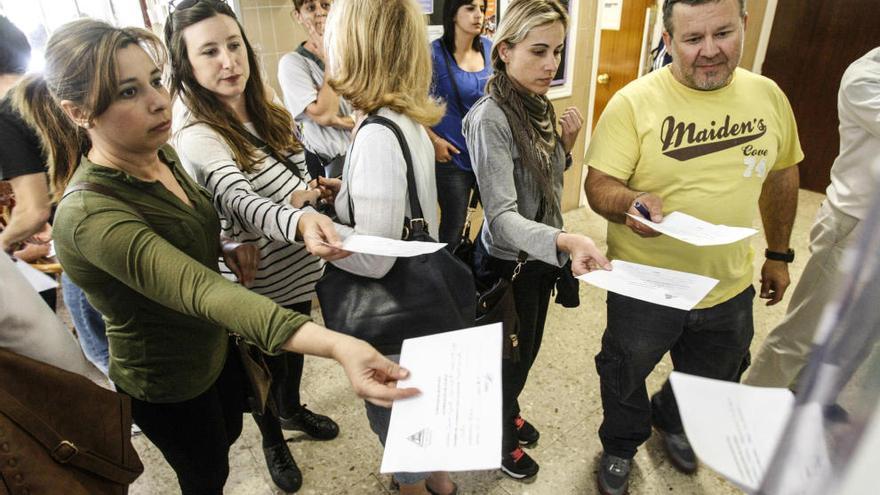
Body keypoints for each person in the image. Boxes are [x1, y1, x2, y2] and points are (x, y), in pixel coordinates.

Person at [13, 18, 416, 495]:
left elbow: (196, 224)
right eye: (127, 92)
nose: (158, 100)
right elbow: (200, 289)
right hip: (167, 381)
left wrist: (223, 244)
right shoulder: (89, 214)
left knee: (227, 435)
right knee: (206, 475)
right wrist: (340, 346)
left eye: (155, 81)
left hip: (216, 351)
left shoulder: (160, 155)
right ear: (78, 112)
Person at [583, 0, 804, 493]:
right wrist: (631, 203)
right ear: (667, 40)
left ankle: (674, 418)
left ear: (743, 26)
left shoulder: (767, 96)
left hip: (727, 283)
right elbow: (599, 185)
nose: (710, 51)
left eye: (722, 34)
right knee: (624, 371)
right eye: (692, 39)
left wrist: (779, 253)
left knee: (715, 377)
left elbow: (782, 173)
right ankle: (621, 444)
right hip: (646, 287)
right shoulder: (634, 103)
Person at [165, 1, 339, 491]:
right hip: (254, 281)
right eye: (210, 52)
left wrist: (316, 190)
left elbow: (295, 172)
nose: (229, 61)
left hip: (298, 270)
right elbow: (240, 202)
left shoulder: (269, 109)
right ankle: (273, 441)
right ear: (187, 66)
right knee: (261, 366)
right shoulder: (198, 134)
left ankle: (293, 409)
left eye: (234, 44)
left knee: (294, 354)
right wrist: (301, 216)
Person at [322, 0, 468, 493]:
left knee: (404, 434)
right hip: (426, 308)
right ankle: (443, 484)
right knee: (426, 417)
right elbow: (405, 212)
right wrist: (348, 194)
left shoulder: (378, 132)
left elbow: (376, 257)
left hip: (393, 323)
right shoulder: (402, 119)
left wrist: (321, 229)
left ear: (355, 48)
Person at [463, 0, 610, 480]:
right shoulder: (492, 117)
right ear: (504, 50)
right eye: (539, 51)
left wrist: (563, 149)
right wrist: (566, 240)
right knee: (507, 359)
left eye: (558, 52)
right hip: (510, 262)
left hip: (540, 256)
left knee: (524, 353)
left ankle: (506, 410)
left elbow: (541, 182)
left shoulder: (537, 104)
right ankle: (498, 438)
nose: (551, 65)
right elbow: (502, 217)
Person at [745, 46, 880, 389]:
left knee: (861, 334)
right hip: (853, 224)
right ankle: (752, 406)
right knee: (805, 332)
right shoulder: (866, 76)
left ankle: (808, 400)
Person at [0, 15, 112, 370]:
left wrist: (3, 245)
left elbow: (32, 209)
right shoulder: (49, 91)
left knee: (98, 351)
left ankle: (131, 420)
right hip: (113, 220)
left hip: (81, 243)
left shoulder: (7, 110)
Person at [427, 0, 492, 248]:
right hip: (452, 157)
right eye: (470, 8)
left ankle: (484, 275)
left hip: (487, 154)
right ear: (454, 13)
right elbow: (410, 104)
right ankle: (448, 281)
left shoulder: (490, 48)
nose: (478, 15)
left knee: (499, 220)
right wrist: (434, 141)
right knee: (454, 226)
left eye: (481, 9)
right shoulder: (433, 54)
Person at [278, 0, 353, 179]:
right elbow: (326, 114)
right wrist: (329, 61)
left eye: (325, 5)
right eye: (311, 8)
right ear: (298, 15)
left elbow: (371, 106)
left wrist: (339, 121)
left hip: (361, 155)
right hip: (330, 168)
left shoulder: (351, 55)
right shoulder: (292, 64)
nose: (320, 12)